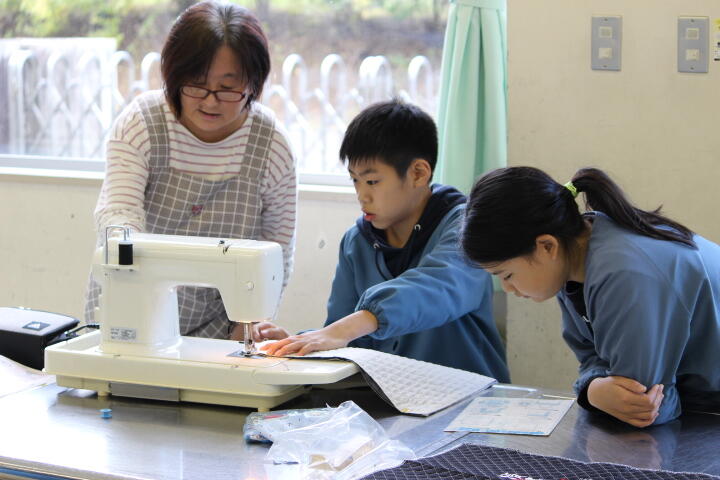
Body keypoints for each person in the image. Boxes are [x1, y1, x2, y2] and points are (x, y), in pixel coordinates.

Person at [85, 1, 297, 340]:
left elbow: (277, 248)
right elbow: (118, 212)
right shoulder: (141, 124)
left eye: (227, 88)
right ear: (174, 75)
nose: (210, 101)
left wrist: (253, 320)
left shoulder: (271, 145)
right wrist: (125, 250)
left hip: (221, 320)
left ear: (253, 84)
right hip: (132, 306)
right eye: (196, 84)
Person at [262, 100, 510, 380]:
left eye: (372, 182)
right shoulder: (356, 242)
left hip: (470, 395)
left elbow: (438, 287)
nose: (362, 195)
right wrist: (297, 344)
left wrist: (350, 326)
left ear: (418, 173)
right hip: (395, 398)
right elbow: (345, 337)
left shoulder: (466, 227)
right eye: (355, 180)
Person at [460, 166, 720, 426]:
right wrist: (593, 390)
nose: (507, 288)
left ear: (547, 246)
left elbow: (643, 405)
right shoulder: (574, 259)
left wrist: (599, 392)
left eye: (506, 275)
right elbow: (592, 358)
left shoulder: (624, 274)